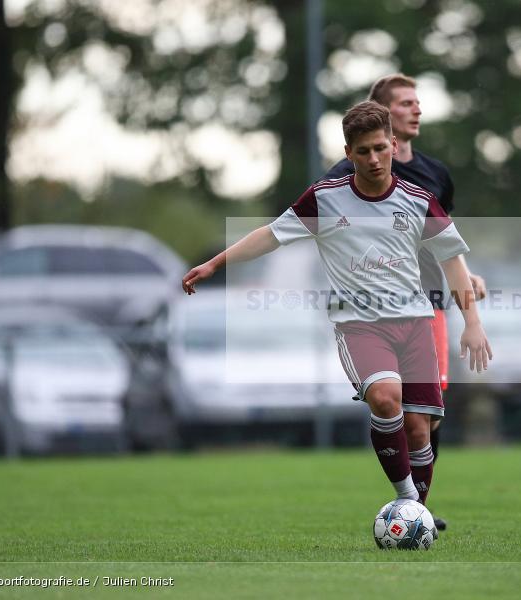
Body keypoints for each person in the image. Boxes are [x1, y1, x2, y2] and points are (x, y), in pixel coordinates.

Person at [182, 101, 491, 517]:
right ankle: (408, 503)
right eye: (363, 151)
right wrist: (216, 262)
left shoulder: (420, 200)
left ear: (393, 144)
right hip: (360, 326)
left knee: (419, 429)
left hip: (415, 323)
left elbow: (453, 261)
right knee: (385, 398)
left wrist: (472, 323)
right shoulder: (325, 199)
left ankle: (415, 513)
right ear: (348, 154)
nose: (374, 159)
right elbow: (271, 235)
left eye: (381, 148)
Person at [325, 74, 487, 531]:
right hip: (377, 311)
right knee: (396, 403)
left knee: (429, 418)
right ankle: (413, 503)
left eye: (418, 103)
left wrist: (468, 278)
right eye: (404, 104)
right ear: (383, 115)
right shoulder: (350, 174)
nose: (416, 110)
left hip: (430, 304)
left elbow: (444, 238)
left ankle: (416, 502)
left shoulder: (435, 174)